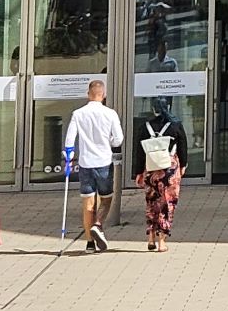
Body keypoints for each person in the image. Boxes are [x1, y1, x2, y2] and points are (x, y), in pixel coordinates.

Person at [67, 79, 125, 252]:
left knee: (88, 202)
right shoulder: (110, 114)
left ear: (88, 94)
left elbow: (70, 139)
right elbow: (118, 140)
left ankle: (89, 243)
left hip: (85, 162)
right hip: (104, 162)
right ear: (103, 95)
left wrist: (69, 157)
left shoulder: (78, 114)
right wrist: (109, 141)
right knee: (106, 198)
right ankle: (98, 224)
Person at [132, 98, 189, 253]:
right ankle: (162, 241)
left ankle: (151, 237)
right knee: (167, 204)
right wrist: (183, 166)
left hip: (150, 170)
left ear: (153, 109)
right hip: (169, 170)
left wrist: (138, 172)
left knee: (151, 202)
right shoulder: (175, 126)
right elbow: (183, 148)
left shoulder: (145, 127)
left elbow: (139, 152)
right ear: (168, 107)